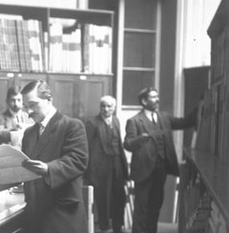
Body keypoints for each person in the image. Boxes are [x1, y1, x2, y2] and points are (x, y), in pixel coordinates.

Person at [18, 79, 89, 233]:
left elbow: (78, 161)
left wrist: (48, 169)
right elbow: (23, 169)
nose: (28, 111)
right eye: (25, 106)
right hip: (35, 216)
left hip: (62, 217)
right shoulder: (29, 133)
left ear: (49, 99)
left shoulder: (72, 125)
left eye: (33, 105)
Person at [124, 87, 197, 233]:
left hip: (161, 171)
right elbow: (127, 144)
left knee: (155, 206)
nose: (157, 99)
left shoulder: (165, 118)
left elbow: (184, 123)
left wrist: (200, 105)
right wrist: (140, 138)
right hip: (143, 172)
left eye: (157, 96)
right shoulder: (135, 121)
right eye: (153, 97)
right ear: (144, 101)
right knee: (141, 210)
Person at [84, 95, 128, 233]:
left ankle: (117, 227)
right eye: (103, 106)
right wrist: (89, 171)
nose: (105, 109)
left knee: (119, 196)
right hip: (100, 168)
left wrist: (125, 168)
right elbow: (87, 148)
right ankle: (104, 227)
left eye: (109, 106)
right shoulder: (92, 123)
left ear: (114, 108)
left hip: (117, 165)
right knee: (103, 198)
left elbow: (119, 146)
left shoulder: (116, 121)